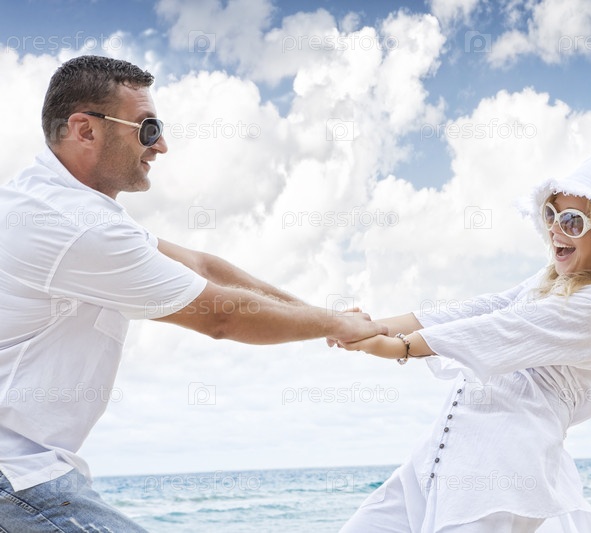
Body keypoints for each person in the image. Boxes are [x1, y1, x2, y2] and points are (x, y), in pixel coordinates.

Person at [0, 55, 386, 532]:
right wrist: (338, 324)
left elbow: (203, 266)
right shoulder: (76, 227)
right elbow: (222, 316)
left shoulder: (58, 204)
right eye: (147, 128)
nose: (161, 146)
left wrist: (320, 315)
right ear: (85, 130)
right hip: (16, 477)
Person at [338, 156, 591, 532]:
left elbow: (503, 329)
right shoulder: (547, 283)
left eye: (572, 221)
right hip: (439, 461)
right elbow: (483, 308)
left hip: (497, 477)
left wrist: (398, 347)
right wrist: (373, 327)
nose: (555, 229)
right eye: (551, 214)